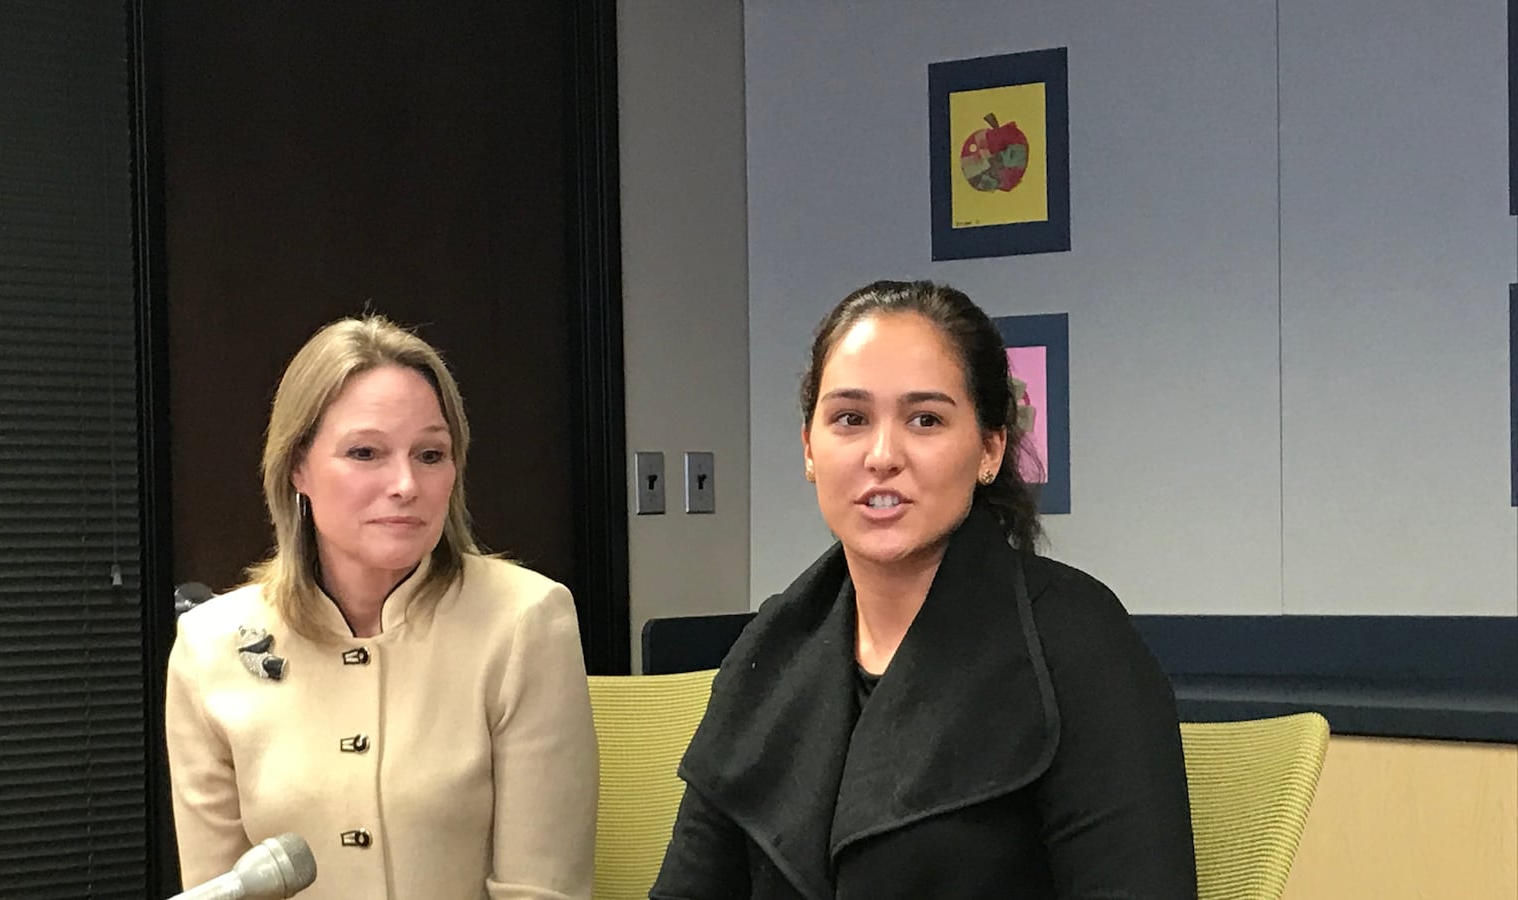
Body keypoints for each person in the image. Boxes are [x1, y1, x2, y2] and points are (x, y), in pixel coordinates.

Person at [651, 281, 1197, 899]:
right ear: (809, 447)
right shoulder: (772, 645)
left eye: (925, 419)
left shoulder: (1076, 640)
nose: (882, 455)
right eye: (850, 419)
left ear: (991, 448)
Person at [166, 314, 597, 900]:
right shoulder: (209, 647)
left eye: (430, 454)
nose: (405, 484)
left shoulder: (525, 620)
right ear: (297, 467)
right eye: (366, 452)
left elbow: (541, 891)